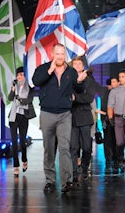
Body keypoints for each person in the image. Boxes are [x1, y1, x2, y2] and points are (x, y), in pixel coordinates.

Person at [32, 43, 87, 193]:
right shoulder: (43, 68)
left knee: (65, 148)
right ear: (52, 54)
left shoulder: (71, 71)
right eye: (57, 54)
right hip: (47, 114)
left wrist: (81, 81)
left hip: (64, 115)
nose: (60, 56)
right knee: (49, 149)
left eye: (62, 54)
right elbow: (36, 81)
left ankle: (66, 181)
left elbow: (79, 89)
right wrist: (49, 71)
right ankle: (50, 181)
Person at [70, 56, 96, 182]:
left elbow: (89, 98)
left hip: (85, 117)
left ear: (83, 66)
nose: (76, 66)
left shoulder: (89, 81)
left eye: (79, 64)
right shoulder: (68, 80)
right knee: (73, 147)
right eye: (74, 64)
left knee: (87, 147)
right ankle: (74, 173)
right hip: (71, 117)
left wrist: (75, 99)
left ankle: (85, 167)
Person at [8, 66, 36, 177]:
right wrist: (13, 90)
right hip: (13, 116)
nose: (19, 76)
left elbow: (29, 100)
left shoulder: (30, 87)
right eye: (18, 74)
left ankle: (24, 159)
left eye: (22, 74)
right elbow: (10, 98)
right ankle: (16, 166)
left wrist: (20, 98)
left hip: (23, 116)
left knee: (22, 141)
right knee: (14, 142)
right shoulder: (14, 85)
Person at [107, 69, 125, 173]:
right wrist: (110, 118)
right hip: (118, 118)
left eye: (123, 77)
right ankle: (120, 159)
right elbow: (110, 105)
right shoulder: (114, 91)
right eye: (120, 77)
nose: (121, 79)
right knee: (120, 142)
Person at [96, 76, 119, 173]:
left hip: (107, 118)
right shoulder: (114, 92)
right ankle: (113, 158)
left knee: (108, 139)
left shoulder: (103, 91)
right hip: (111, 118)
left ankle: (109, 158)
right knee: (113, 139)